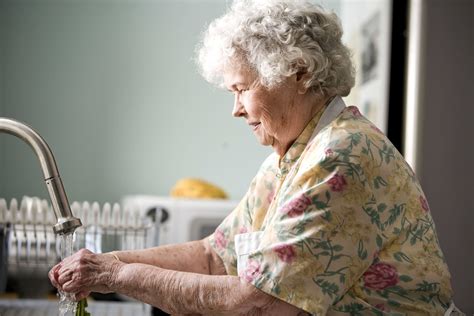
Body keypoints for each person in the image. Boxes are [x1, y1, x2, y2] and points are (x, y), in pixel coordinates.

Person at [49, 0, 455, 314]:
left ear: (297, 73)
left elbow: (260, 303)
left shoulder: (339, 156)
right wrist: (104, 263)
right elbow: (214, 257)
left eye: (242, 89)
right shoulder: (292, 156)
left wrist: (117, 275)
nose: (236, 109)